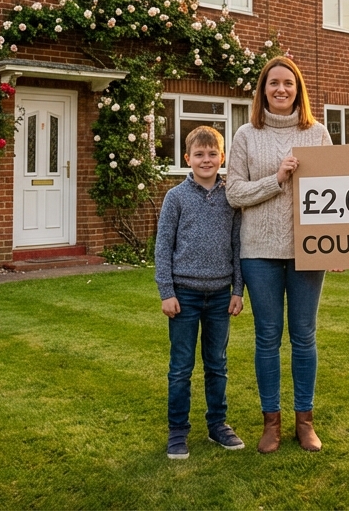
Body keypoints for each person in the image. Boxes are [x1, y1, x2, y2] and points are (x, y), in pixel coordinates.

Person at [226, 56, 333, 453]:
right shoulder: (246, 135)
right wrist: (276, 180)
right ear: (263, 89)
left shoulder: (317, 133)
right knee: (267, 337)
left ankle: (305, 421)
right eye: (274, 83)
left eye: (289, 83)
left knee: (304, 336)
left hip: (307, 252)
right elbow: (233, 193)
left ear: (298, 88)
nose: (281, 89)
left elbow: (337, 193)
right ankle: (271, 422)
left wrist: (335, 241)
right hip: (260, 252)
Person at [154, 125, 246, 460]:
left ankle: (217, 425)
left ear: (222, 157)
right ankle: (177, 431)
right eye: (199, 154)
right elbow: (163, 247)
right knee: (180, 367)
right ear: (187, 158)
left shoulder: (231, 197)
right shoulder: (175, 197)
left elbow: (238, 246)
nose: (206, 160)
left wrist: (238, 289)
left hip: (221, 295)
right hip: (185, 295)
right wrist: (167, 291)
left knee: (217, 364)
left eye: (212, 154)